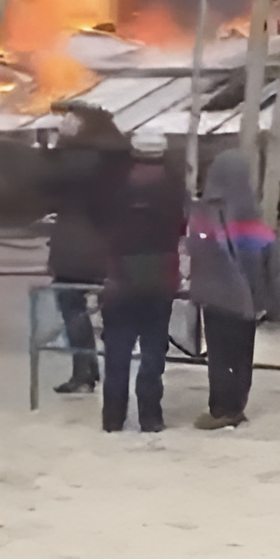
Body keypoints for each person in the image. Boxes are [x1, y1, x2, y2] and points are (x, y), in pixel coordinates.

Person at [93, 124, 187, 434]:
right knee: (152, 352)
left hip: (120, 277)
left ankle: (113, 417)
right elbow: (182, 227)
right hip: (161, 278)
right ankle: (150, 416)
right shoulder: (174, 187)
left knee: (117, 352)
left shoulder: (114, 186)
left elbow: (102, 228)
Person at [185, 150, 280, 429]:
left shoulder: (203, 216)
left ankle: (222, 409)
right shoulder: (254, 219)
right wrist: (274, 306)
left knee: (220, 355)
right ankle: (237, 405)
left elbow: (195, 251)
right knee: (242, 355)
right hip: (249, 301)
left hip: (216, 298)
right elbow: (272, 266)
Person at [41, 106, 117, 393]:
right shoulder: (114, 157)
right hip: (107, 246)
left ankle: (84, 373)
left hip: (75, 247)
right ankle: (111, 373)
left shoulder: (71, 160)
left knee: (73, 308)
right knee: (110, 312)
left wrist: (59, 147)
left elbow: (48, 190)